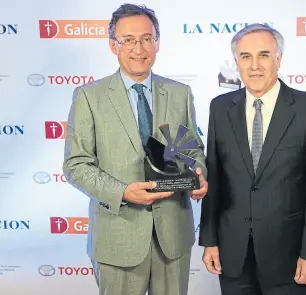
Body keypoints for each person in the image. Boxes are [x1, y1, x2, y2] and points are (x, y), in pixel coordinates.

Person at [62, 4, 208, 295]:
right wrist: (123, 192)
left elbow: (190, 149)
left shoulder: (180, 93)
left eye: (146, 38)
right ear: (112, 46)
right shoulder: (89, 97)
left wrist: (200, 172)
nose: (138, 48)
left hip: (173, 236)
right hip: (118, 235)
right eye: (128, 40)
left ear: (157, 43)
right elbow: (76, 165)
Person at [199, 23, 306, 295]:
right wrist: (209, 240)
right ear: (236, 62)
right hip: (233, 254)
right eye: (245, 57)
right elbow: (215, 177)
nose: (254, 65)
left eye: (264, 55)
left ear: (279, 59)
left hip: (290, 256)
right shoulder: (220, 107)